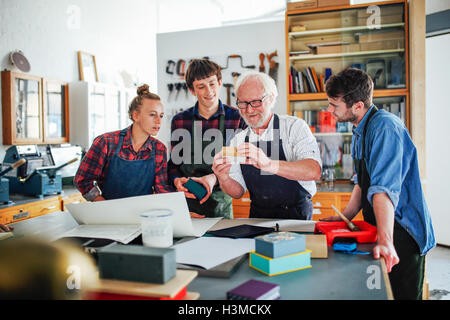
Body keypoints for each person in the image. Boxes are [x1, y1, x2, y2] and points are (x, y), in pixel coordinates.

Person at [323, 68, 435, 300]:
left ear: (357, 106)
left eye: (334, 105)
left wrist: (386, 240)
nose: (329, 110)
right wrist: (345, 217)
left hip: (401, 232)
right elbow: (361, 183)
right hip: (380, 227)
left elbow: (383, 190)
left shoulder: (385, 127)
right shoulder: (359, 130)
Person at [212, 71, 321, 220]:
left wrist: (269, 164)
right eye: (243, 103)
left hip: (296, 218)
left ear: (271, 98)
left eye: (256, 102)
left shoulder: (294, 127)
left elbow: (313, 171)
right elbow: (238, 192)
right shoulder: (239, 140)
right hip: (258, 218)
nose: (249, 110)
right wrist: (224, 178)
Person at [168, 59, 246, 219]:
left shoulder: (237, 118)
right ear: (192, 90)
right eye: (201, 86)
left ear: (220, 82)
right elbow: (174, 164)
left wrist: (214, 179)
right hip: (188, 205)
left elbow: (240, 164)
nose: (208, 91)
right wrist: (176, 180)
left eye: (211, 83)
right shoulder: (180, 121)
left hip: (221, 204)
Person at [74, 84, 173, 201]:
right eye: (152, 115)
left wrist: (181, 207)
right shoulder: (106, 142)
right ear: (136, 115)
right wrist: (101, 202)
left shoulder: (159, 149)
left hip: (143, 214)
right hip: (110, 215)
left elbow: (161, 189)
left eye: (161, 116)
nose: (158, 121)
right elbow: (83, 180)